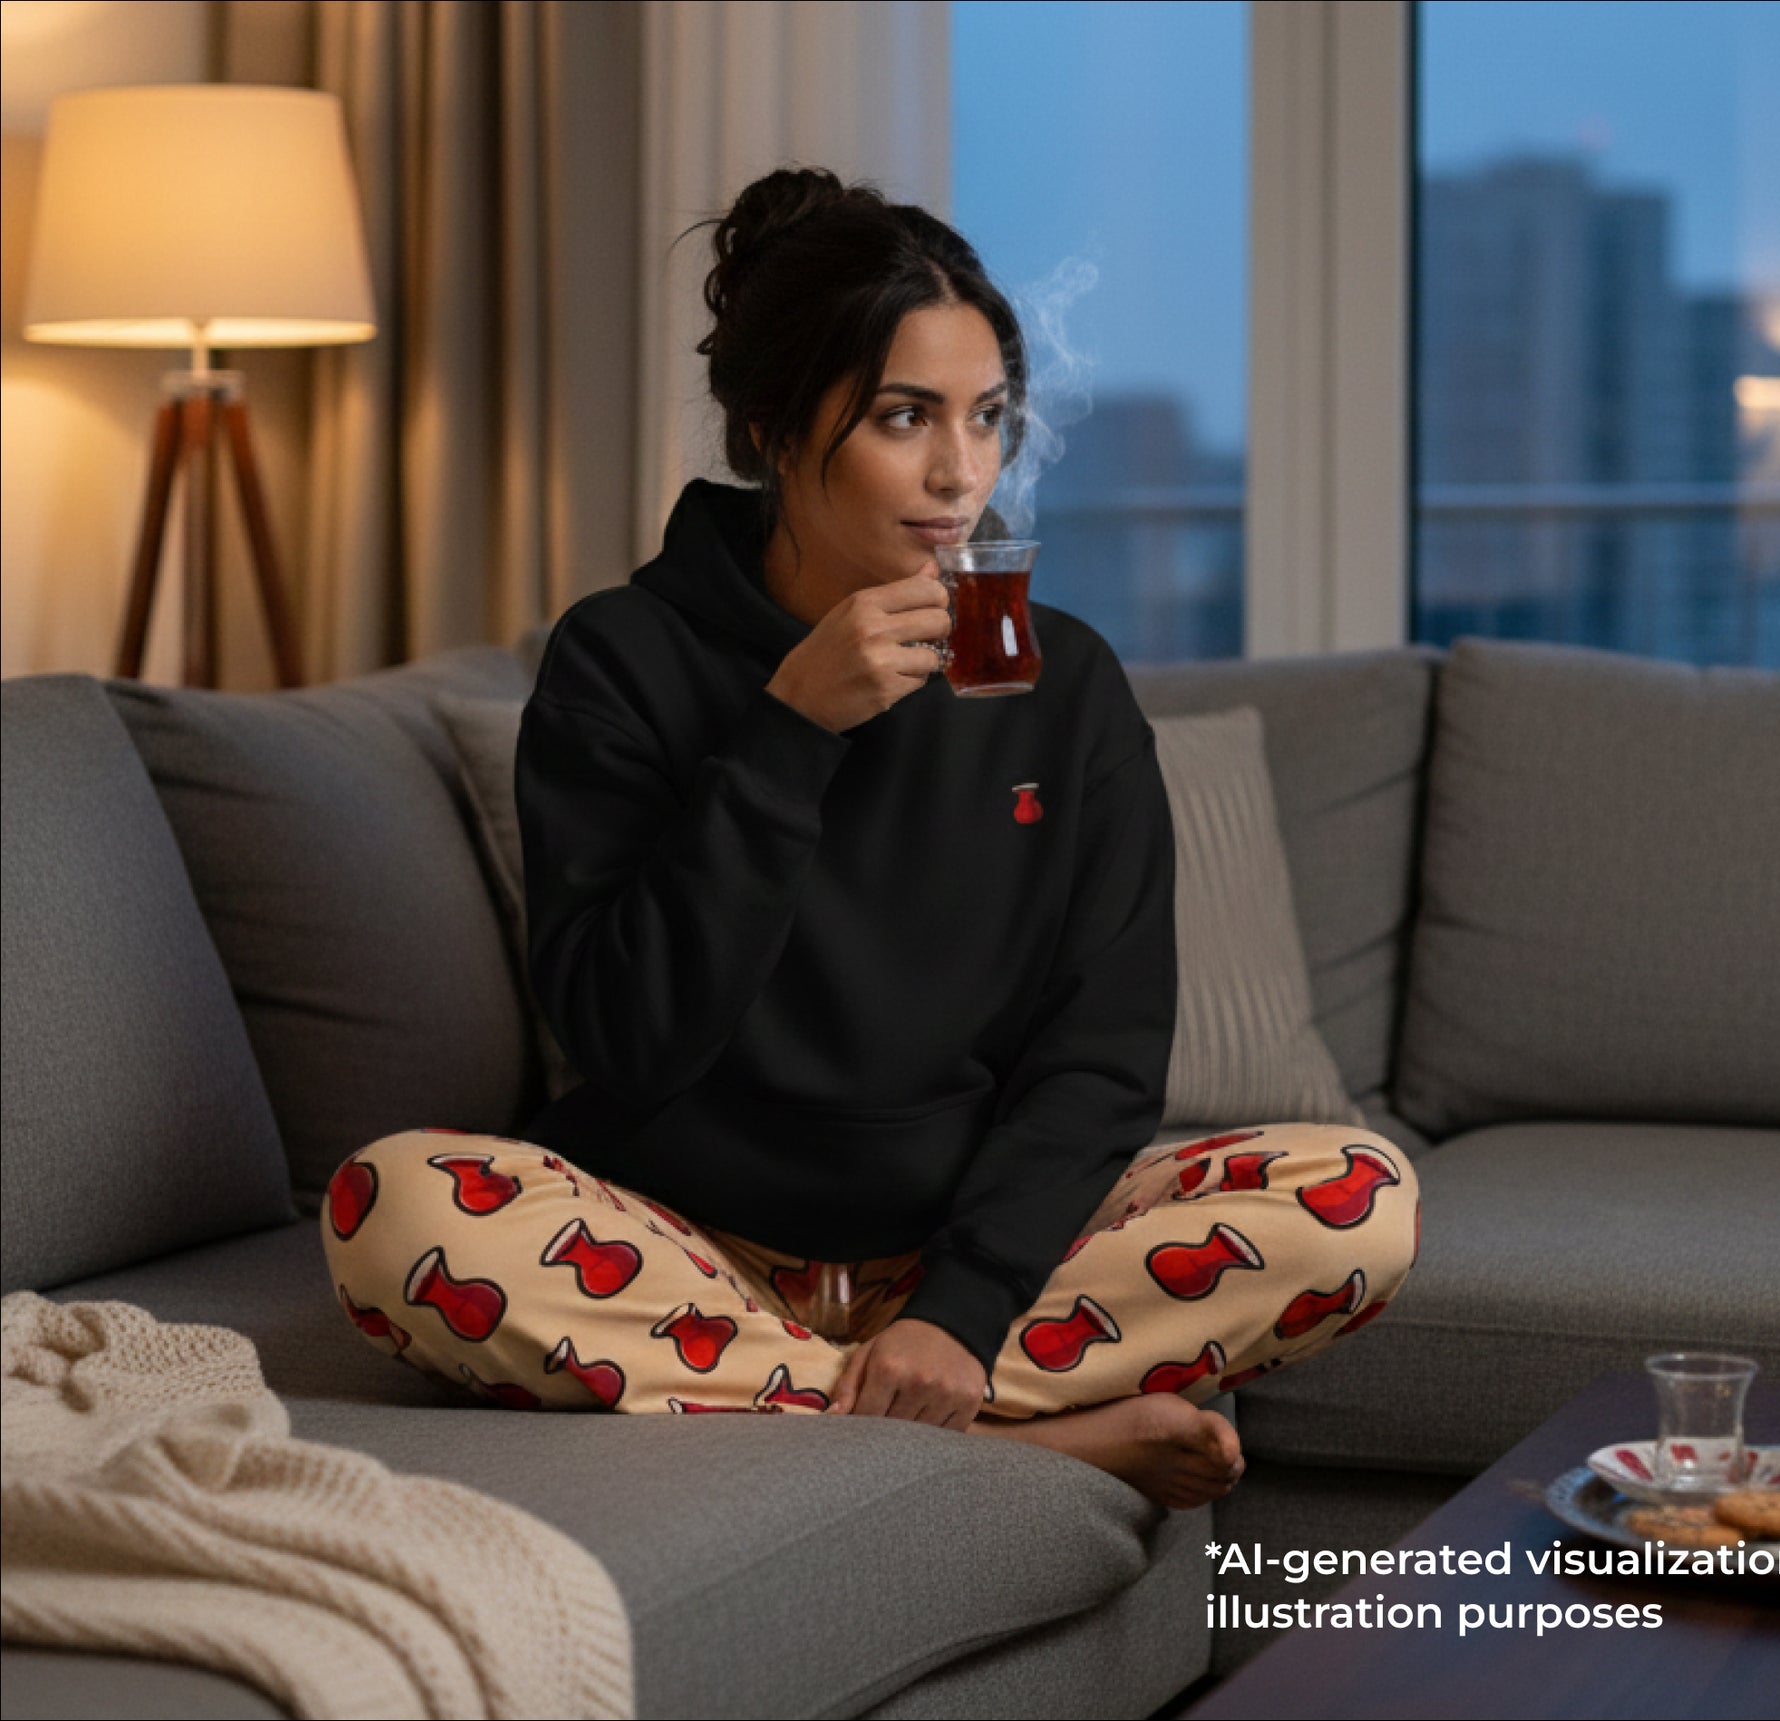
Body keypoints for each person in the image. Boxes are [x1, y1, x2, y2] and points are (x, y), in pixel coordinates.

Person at [322, 166, 1419, 1512]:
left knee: (1356, 1195)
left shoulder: (1060, 683)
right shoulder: (623, 660)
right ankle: (999, 1440)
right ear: (776, 429)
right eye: (905, 418)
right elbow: (628, 1036)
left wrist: (957, 1310)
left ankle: (841, 1401)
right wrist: (787, 735)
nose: (960, 473)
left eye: (985, 419)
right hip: (683, 1250)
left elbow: (1101, 1052)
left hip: (971, 1263)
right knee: (395, 1206)